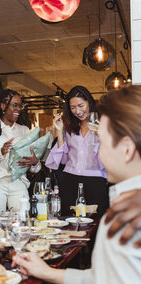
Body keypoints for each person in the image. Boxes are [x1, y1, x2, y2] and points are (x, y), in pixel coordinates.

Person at [13, 84, 141, 283]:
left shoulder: (128, 218)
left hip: (95, 185)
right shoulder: (125, 207)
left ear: (127, 149)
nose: (100, 154)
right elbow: (103, 278)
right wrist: (47, 272)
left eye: (103, 142)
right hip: (71, 181)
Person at [45, 85, 109, 216]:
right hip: (70, 181)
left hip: (96, 181)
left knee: (96, 223)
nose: (77, 111)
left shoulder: (104, 124)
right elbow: (61, 161)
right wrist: (60, 131)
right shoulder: (69, 127)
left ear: (89, 103)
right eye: (73, 107)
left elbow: (108, 160)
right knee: (69, 223)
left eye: (81, 105)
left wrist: (101, 135)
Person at [0, 89, 40, 212]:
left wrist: (34, 162)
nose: (19, 109)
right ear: (3, 105)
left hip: (18, 181)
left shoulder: (24, 130)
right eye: (15, 105)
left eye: (20, 106)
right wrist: (0, 152)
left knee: (22, 219)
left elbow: (34, 168)